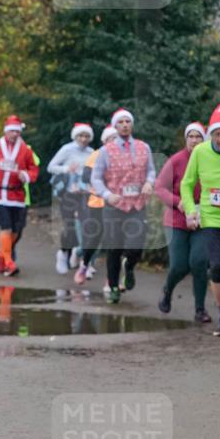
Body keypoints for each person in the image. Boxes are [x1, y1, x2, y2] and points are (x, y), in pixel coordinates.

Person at [180, 108, 220, 336]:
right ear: (210, 136)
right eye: (216, 134)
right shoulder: (200, 152)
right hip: (211, 218)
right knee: (217, 268)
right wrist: (190, 210)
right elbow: (187, 184)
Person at [91, 108, 156, 304]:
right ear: (115, 126)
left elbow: (151, 171)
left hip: (136, 205)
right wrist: (107, 195)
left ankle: (129, 267)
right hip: (114, 206)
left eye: (128, 121)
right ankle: (112, 286)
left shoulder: (144, 147)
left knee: (137, 245)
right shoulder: (105, 151)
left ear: (132, 124)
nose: (125, 125)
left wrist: (149, 183)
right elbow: (96, 177)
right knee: (114, 248)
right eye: (121, 122)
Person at [155, 122, 210, 322]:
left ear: (204, 140)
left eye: (198, 137)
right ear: (186, 139)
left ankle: (200, 309)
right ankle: (167, 291)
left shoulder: (209, 159)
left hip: (203, 218)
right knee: (179, 265)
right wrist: (178, 203)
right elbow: (159, 187)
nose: (195, 140)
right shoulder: (176, 160)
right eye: (191, 137)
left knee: (199, 262)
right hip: (177, 220)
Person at [0, 115, 39, 277]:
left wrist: (26, 175)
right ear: (6, 131)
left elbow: (34, 169)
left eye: (17, 132)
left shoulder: (25, 150)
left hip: (17, 194)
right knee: (5, 226)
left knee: (16, 230)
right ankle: (9, 262)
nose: (14, 134)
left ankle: (1, 254)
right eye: (11, 131)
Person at [47, 124, 94, 274]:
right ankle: (63, 254)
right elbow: (51, 167)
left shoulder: (91, 152)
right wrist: (67, 169)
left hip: (85, 194)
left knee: (86, 227)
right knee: (70, 227)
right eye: (81, 136)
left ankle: (82, 260)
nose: (83, 139)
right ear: (75, 136)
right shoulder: (67, 149)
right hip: (68, 194)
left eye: (87, 136)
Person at [74, 125, 117, 286]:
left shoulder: (125, 157)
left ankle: (111, 280)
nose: (114, 142)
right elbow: (86, 177)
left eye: (117, 138)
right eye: (111, 139)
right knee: (93, 240)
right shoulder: (97, 154)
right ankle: (84, 265)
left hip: (117, 204)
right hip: (97, 203)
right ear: (104, 141)